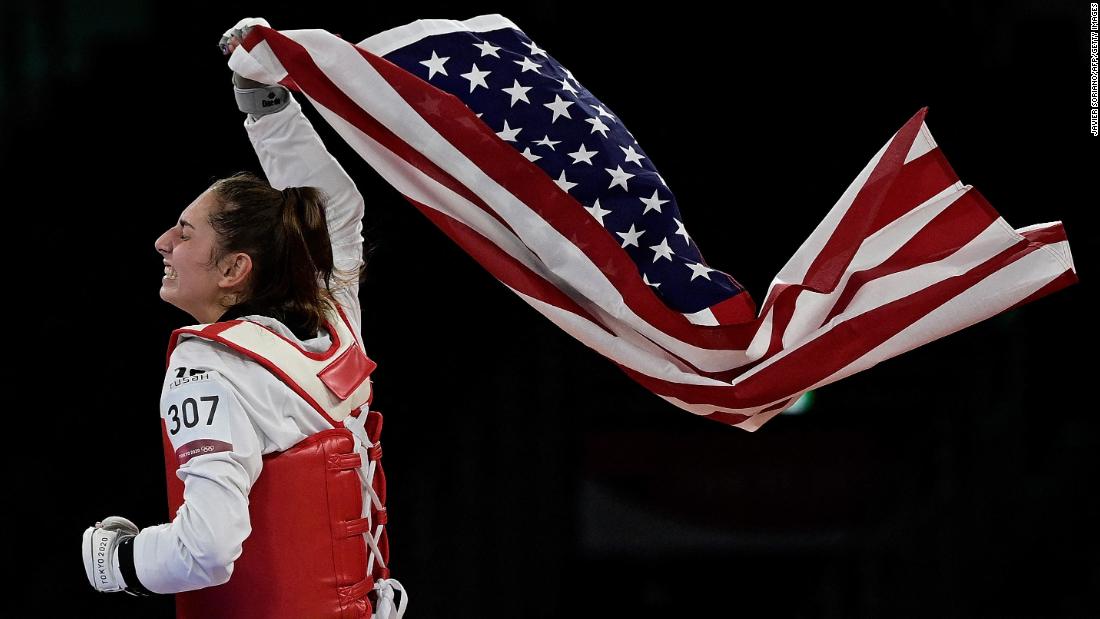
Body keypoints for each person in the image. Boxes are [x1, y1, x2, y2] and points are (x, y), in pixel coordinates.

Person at [82, 18, 406, 619]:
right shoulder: (336, 322)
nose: (161, 242)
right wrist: (266, 102)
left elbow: (206, 550)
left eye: (183, 231)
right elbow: (334, 211)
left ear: (234, 269)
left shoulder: (211, 364)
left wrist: (120, 560)